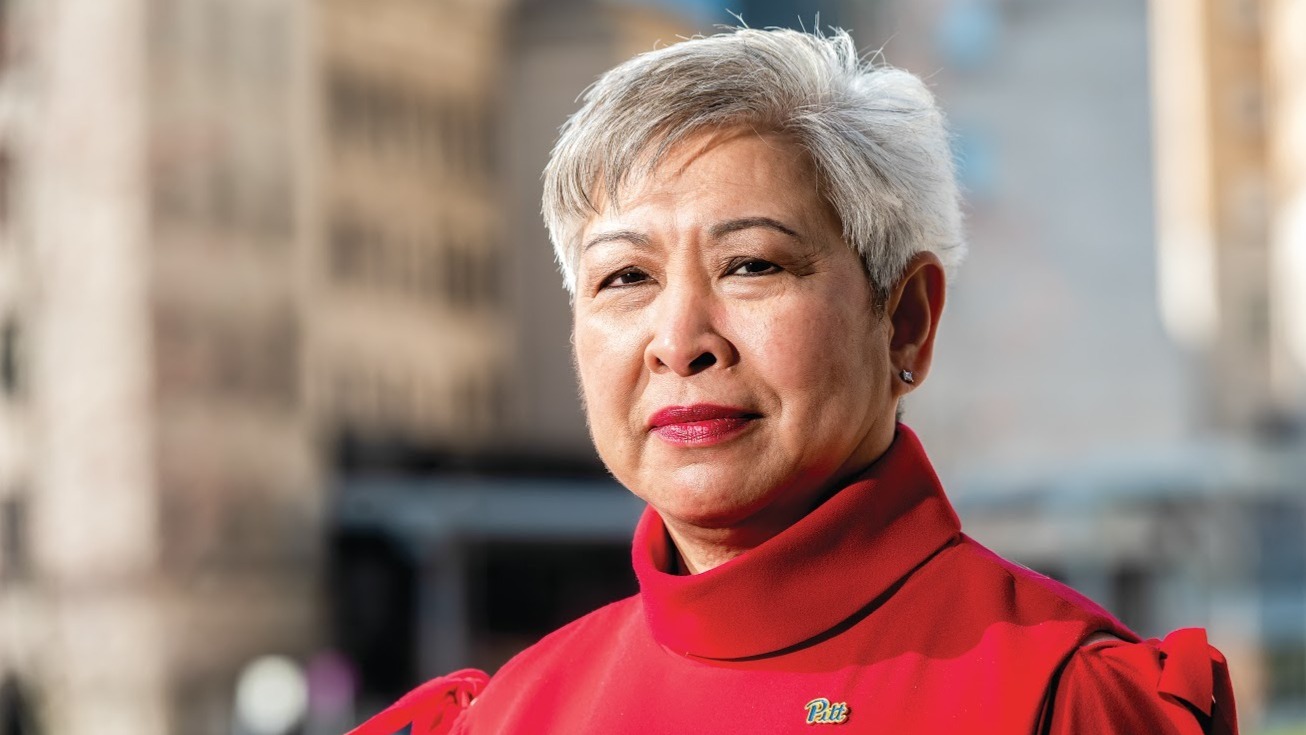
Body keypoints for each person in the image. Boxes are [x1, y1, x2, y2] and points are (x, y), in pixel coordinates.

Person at [348, 27, 1238, 735]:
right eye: (625, 278)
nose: (680, 342)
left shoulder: (1061, 697)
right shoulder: (516, 715)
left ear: (906, 319)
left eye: (752, 266)